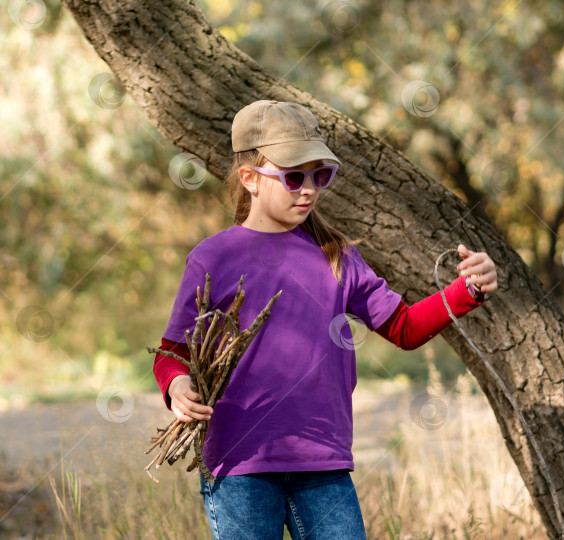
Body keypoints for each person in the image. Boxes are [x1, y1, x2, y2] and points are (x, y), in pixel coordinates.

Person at [152, 100, 498, 540]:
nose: (309, 189)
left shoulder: (337, 257)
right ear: (250, 179)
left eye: (321, 176)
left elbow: (404, 327)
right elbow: (172, 352)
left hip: (323, 464)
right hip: (239, 464)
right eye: (294, 176)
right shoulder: (213, 258)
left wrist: (466, 291)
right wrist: (177, 386)